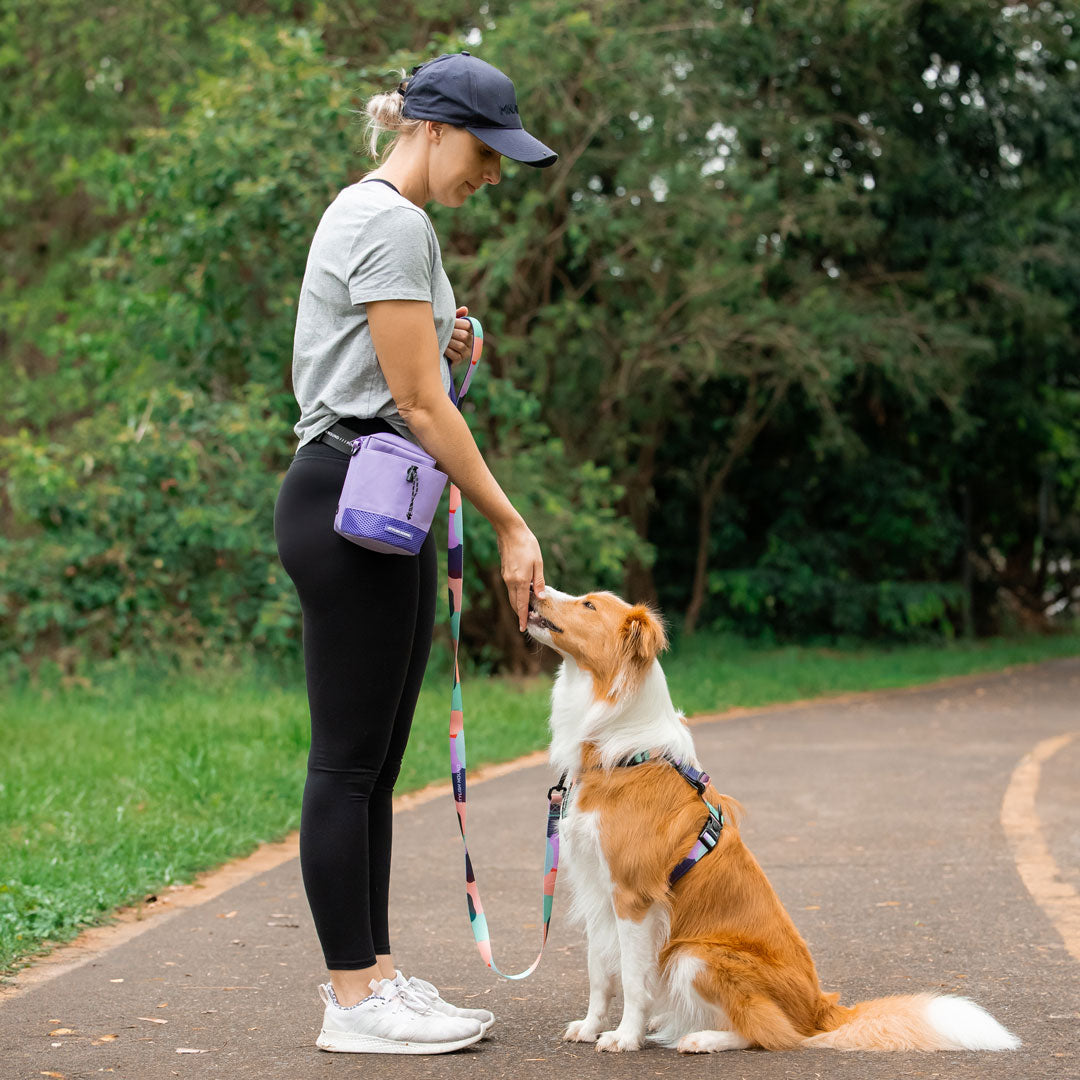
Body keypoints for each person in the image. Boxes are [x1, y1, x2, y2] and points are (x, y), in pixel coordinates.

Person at [272, 52, 555, 1055]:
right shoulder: (390, 219)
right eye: (485, 151)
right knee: (347, 764)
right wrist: (513, 522)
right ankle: (352, 999)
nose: (492, 173)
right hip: (353, 501)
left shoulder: (399, 225)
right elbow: (418, 403)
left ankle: (376, 975)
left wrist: (450, 339)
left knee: (374, 766)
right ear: (431, 129)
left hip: (375, 501)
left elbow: (416, 375)